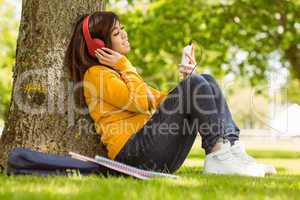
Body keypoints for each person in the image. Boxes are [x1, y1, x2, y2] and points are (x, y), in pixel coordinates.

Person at [65, 11, 276, 177]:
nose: (125, 34)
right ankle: (218, 155)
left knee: (206, 81)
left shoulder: (121, 73)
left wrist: (189, 85)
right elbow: (139, 102)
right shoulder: (96, 75)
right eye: (117, 33)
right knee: (195, 84)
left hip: (151, 152)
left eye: (123, 28)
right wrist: (125, 65)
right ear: (100, 46)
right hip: (132, 155)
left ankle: (232, 150)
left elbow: (158, 100)